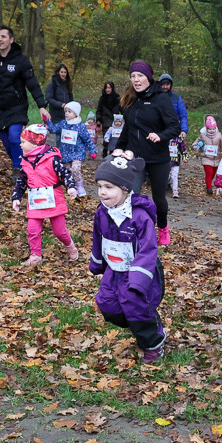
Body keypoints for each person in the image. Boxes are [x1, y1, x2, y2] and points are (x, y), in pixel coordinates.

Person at [90, 154, 166, 362]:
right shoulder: (102, 212)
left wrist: (138, 279)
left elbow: (148, 249)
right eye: (100, 186)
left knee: (137, 308)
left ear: (124, 189)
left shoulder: (139, 216)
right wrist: (97, 263)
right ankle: (139, 323)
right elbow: (98, 238)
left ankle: (153, 343)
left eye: (109, 187)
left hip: (138, 272)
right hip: (114, 270)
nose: (102, 192)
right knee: (107, 304)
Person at [112, 60, 180, 246]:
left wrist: (160, 135)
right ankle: (133, 230)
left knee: (159, 199)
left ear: (148, 77)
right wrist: (119, 147)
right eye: (133, 76)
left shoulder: (161, 97)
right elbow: (128, 128)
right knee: (131, 195)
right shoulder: (130, 98)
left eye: (140, 76)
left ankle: (163, 229)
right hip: (136, 157)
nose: (136, 79)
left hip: (158, 158)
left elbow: (175, 126)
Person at [0, 25, 50, 182]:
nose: (0, 39)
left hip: (17, 107)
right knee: (7, 142)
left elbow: (32, 82)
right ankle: (23, 163)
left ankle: (19, 169)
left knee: (15, 137)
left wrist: (41, 105)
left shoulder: (21, 60)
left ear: (11, 40)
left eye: (3, 37)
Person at [12, 124, 79, 268]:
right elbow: (21, 181)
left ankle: (70, 245)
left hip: (53, 200)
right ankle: (35, 255)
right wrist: (16, 197)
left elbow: (65, 173)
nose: (20, 144)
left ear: (35, 142)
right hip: (35, 201)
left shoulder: (52, 159)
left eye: (23, 142)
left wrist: (71, 187)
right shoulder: (26, 162)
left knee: (59, 231)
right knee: (32, 230)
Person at [46, 101, 97, 196]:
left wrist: (93, 150)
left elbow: (87, 139)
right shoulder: (63, 124)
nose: (66, 113)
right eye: (65, 111)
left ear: (75, 113)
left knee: (76, 169)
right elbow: (53, 129)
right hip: (65, 153)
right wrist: (47, 122)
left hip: (77, 152)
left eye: (69, 111)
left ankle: (79, 185)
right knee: (67, 171)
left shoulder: (80, 126)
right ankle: (71, 186)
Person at [194, 116, 222, 195]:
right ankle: (209, 188)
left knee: (213, 173)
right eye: (209, 129)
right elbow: (195, 144)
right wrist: (197, 148)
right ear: (206, 129)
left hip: (216, 158)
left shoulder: (219, 135)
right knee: (209, 173)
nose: (211, 131)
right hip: (206, 158)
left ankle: (208, 183)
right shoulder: (202, 135)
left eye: (213, 129)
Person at [157, 73, 188, 143]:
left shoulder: (177, 98)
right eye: (163, 84)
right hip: (159, 131)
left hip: (173, 130)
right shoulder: (155, 97)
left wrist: (183, 130)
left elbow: (183, 115)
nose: (165, 87)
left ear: (170, 85)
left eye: (167, 84)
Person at [167, 134, 187, 199]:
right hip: (165, 161)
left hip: (175, 162)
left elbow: (183, 149)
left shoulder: (179, 140)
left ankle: (175, 191)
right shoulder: (164, 137)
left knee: (175, 176)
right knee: (166, 176)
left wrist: (185, 157)